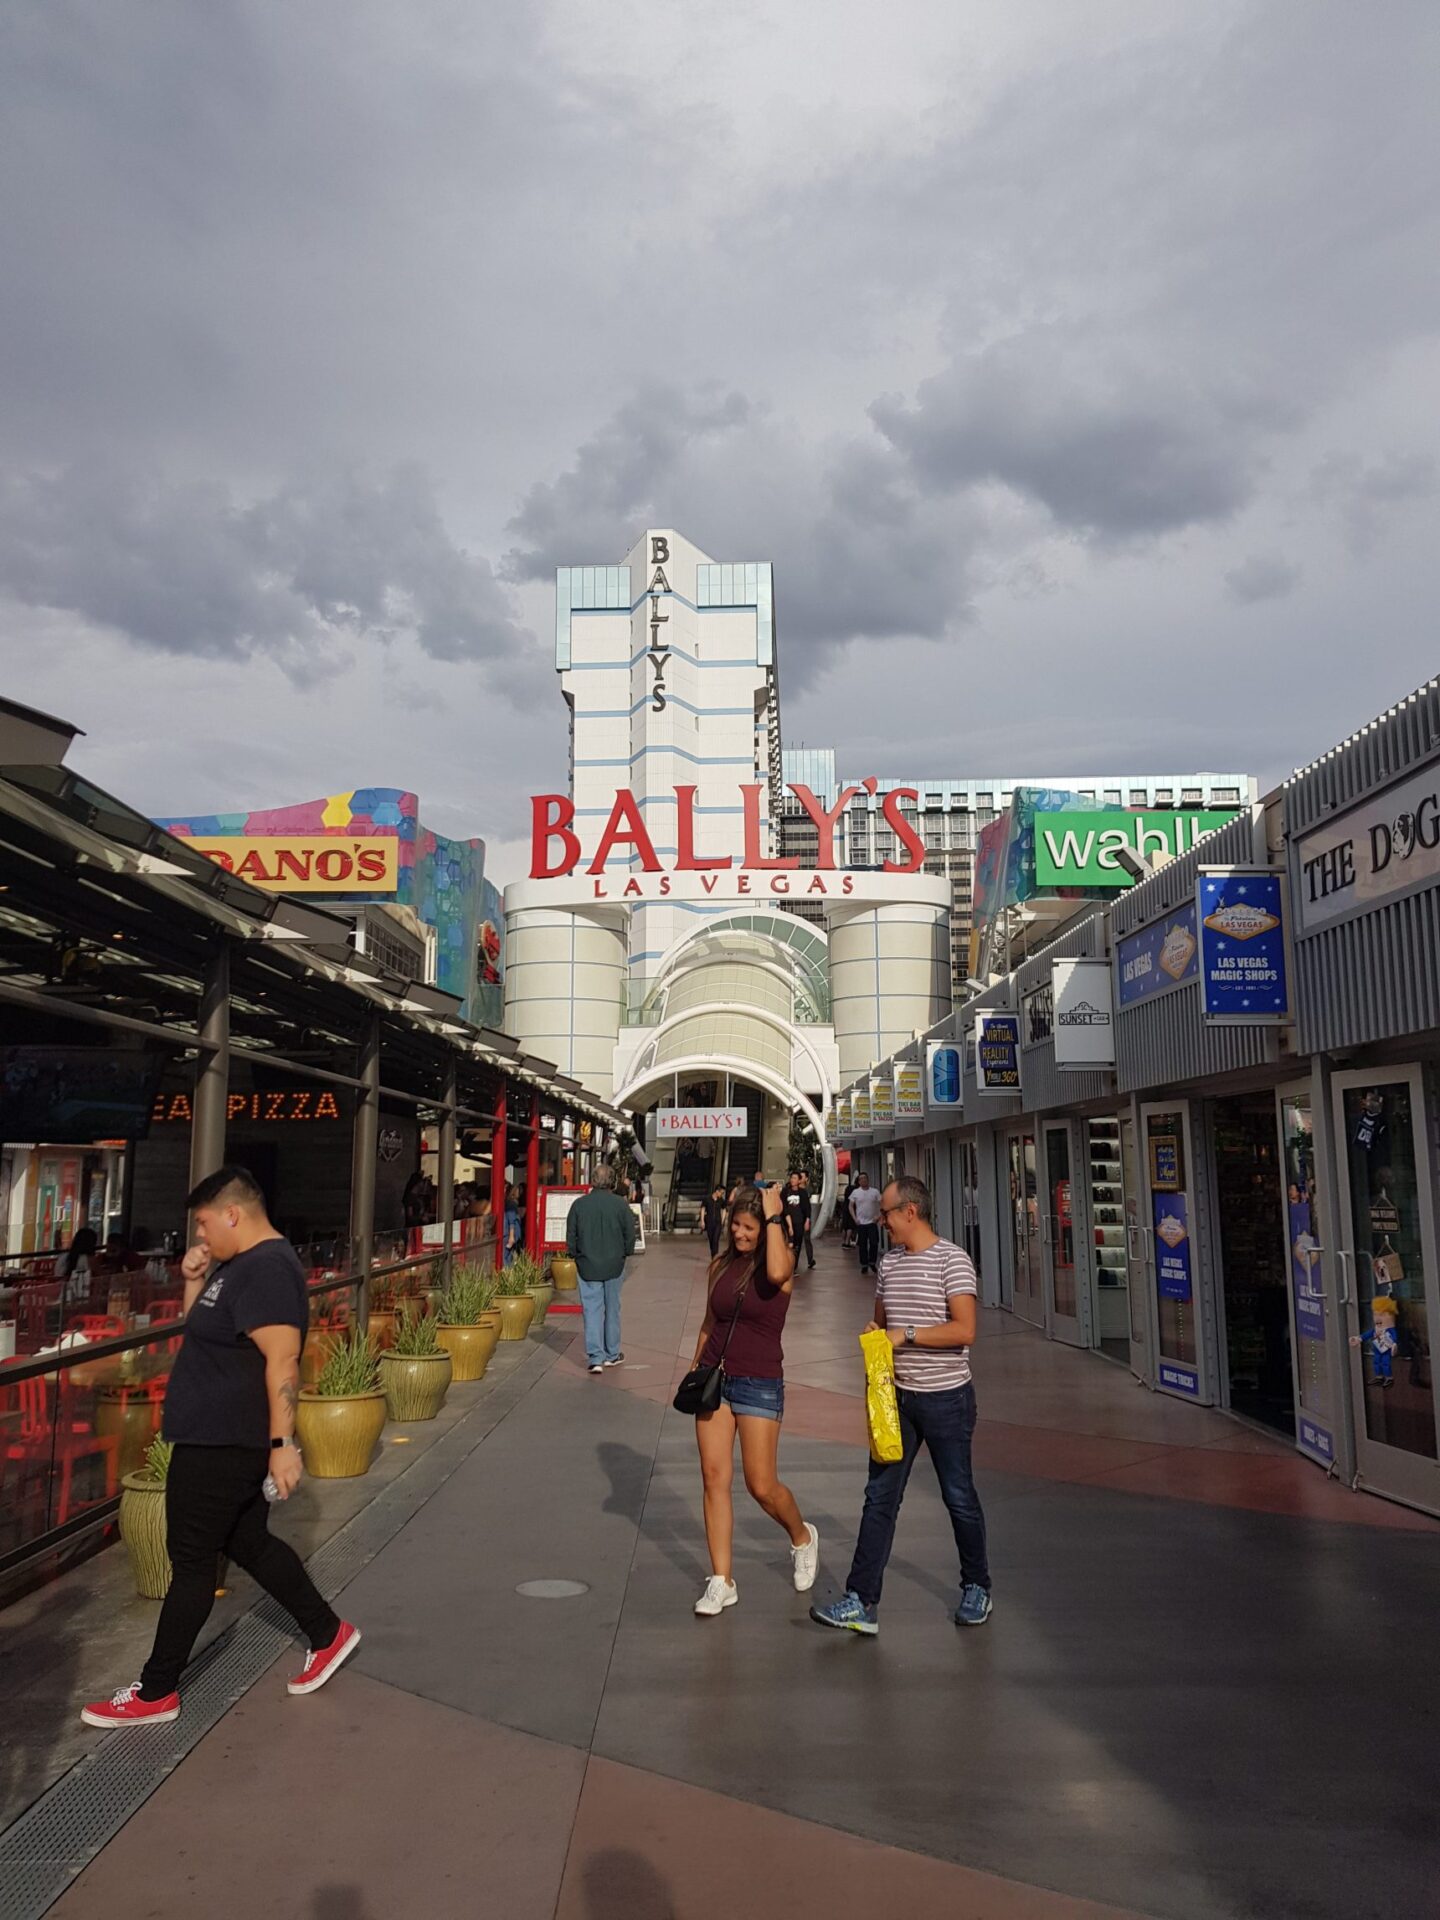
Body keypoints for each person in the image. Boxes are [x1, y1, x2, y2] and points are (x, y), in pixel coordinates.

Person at [81, 1167, 359, 1728]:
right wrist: (194, 1279)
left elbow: (284, 1360)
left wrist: (283, 1444)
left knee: (190, 1561)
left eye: (205, 1224)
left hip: (223, 1442)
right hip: (216, 1435)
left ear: (233, 1214)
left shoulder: (268, 1269)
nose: (200, 1235)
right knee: (248, 1542)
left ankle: (156, 1691)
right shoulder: (237, 1266)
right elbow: (205, 1336)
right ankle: (328, 1633)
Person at [811, 1175, 990, 1636]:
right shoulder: (889, 1264)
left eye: (886, 1212)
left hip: (947, 1399)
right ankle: (861, 1600)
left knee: (958, 1495)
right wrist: (876, 1334)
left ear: (911, 1211)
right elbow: (882, 1321)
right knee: (880, 1497)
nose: (880, 1220)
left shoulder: (953, 1260)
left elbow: (965, 1330)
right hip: (897, 1401)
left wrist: (906, 1335)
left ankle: (977, 1585)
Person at [687, 1183, 818, 1616]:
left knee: (761, 1485)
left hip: (759, 1382)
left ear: (765, 1229)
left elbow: (778, 1273)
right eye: (736, 1225)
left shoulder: (781, 1264)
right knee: (713, 1477)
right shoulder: (720, 1265)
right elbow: (710, 1322)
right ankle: (721, 1580)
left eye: (749, 1227)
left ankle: (802, 1536)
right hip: (716, 1380)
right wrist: (695, 1369)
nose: (740, 1233)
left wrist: (775, 1214)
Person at [565, 1165, 638, 1374]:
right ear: (612, 1182)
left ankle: (595, 1357)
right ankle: (612, 1353)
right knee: (612, 1308)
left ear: (592, 1180)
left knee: (591, 1310)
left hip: (587, 1264)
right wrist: (626, 1252)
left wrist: (574, 1254)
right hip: (614, 1264)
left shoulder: (579, 1205)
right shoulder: (620, 1204)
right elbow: (630, 1233)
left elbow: (571, 1234)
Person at [849, 1172, 883, 1275]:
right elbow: (850, 1206)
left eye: (865, 1178)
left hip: (872, 1222)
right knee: (862, 1245)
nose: (863, 1180)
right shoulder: (855, 1192)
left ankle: (872, 1262)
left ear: (868, 1180)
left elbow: (882, 1204)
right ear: (859, 1182)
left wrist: (878, 1216)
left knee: (874, 1243)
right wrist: (855, 1218)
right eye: (861, 1179)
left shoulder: (875, 1192)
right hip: (861, 1223)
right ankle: (864, 1264)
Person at [783, 1170, 816, 1270]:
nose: (792, 1180)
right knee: (788, 1244)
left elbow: (807, 1208)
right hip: (787, 1221)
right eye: (791, 1178)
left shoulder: (803, 1193)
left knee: (797, 1244)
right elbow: (783, 1207)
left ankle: (794, 1266)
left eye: (795, 1178)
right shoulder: (785, 1191)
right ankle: (787, 1265)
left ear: (799, 1181)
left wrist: (807, 1220)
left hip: (799, 1222)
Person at [702, 1184, 727, 1259]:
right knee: (711, 1239)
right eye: (721, 1193)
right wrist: (702, 1221)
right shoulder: (707, 1199)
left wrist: (723, 1220)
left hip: (718, 1222)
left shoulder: (721, 1200)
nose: (722, 1194)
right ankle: (713, 1255)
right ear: (717, 1191)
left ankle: (715, 1257)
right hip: (709, 1222)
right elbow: (703, 1209)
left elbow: (724, 1209)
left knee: (716, 1239)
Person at [503, 1184, 522, 1264]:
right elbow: (512, 1220)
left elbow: (512, 1221)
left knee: (507, 1257)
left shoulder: (510, 1203)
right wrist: (512, 1237)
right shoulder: (512, 1203)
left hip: (510, 1234)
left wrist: (511, 1237)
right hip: (511, 1235)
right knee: (507, 1256)